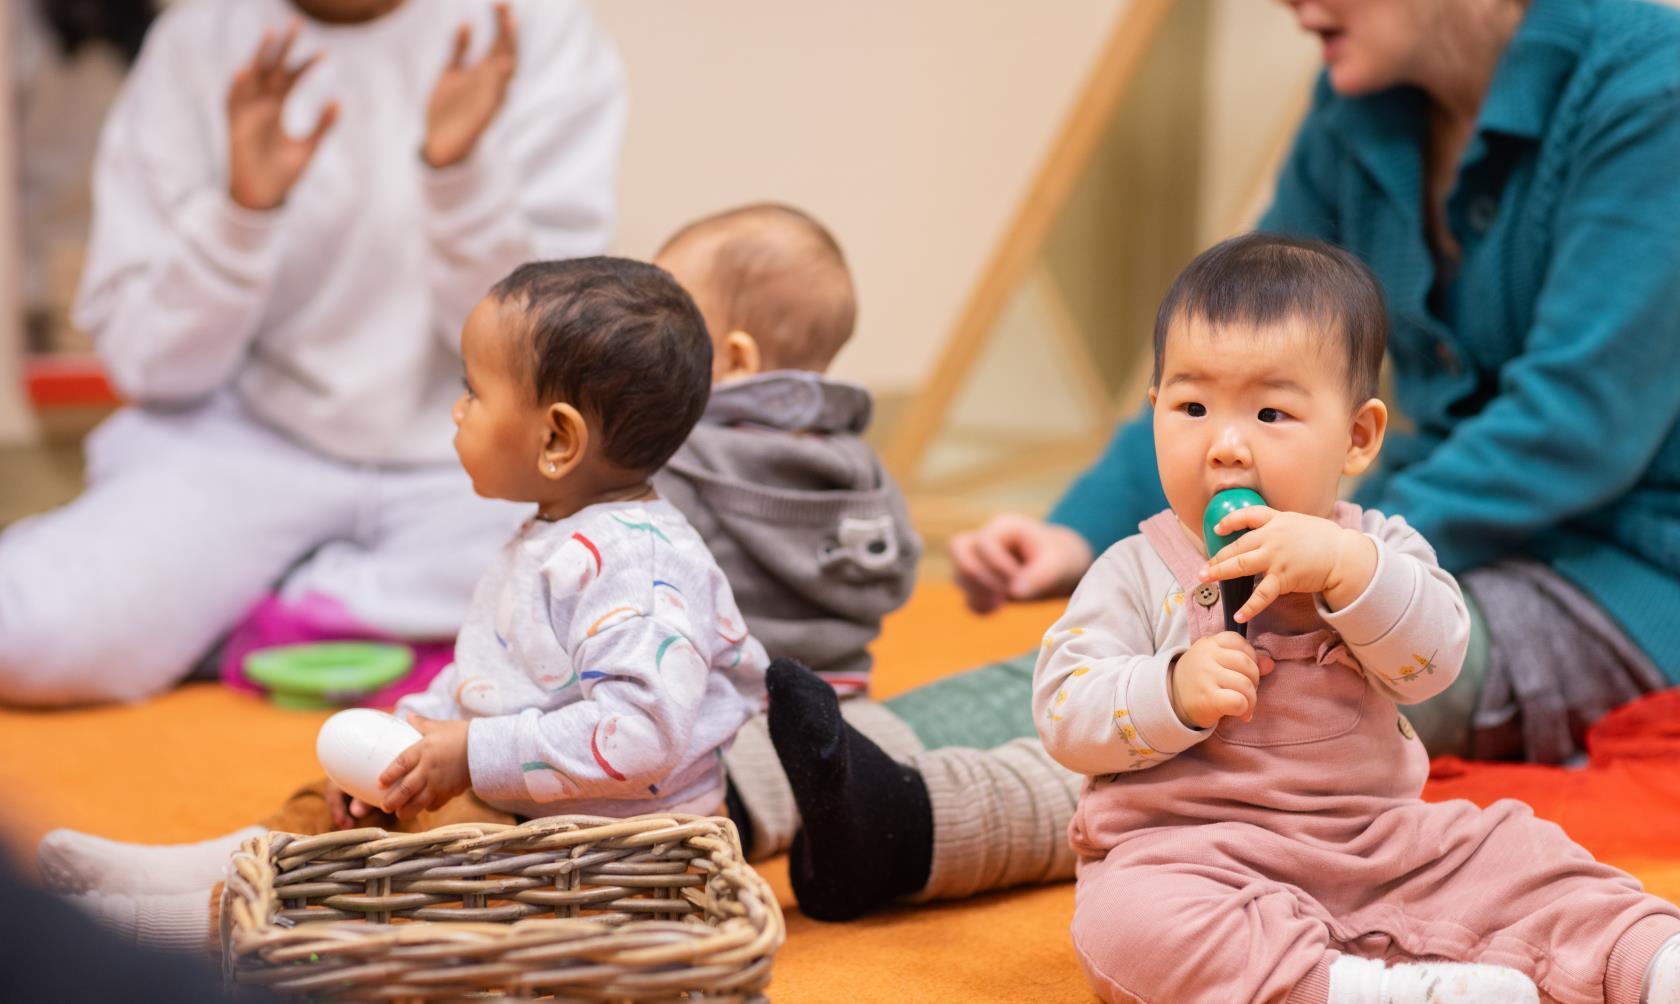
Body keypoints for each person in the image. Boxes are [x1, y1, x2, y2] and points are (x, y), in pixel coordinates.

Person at [768, 0, 1680, 920]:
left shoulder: (1653, 85)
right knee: (1150, 643)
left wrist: (1345, 559)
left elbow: (1576, 425)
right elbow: (1224, 360)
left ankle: (908, 821)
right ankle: (774, 770)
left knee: (1289, 680)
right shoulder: (1362, 104)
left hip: (1611, 577)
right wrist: (1073, 531)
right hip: (1391, 512)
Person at [35, 257, 769, 953]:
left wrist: (470, 755)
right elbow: (495, 677)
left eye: (475, 392)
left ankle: (205, 927)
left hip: (601, 853)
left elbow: (641, 734)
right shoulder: (553, 531)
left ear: (556, 438)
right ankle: (218, 865)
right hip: (528, 808)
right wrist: (413, 733)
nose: (457, 411)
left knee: (406, 867)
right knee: (351, 801)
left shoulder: (635, 562)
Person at [1045, 232, 1680, 1004]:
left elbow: (1435, 662)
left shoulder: (1381, 547)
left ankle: (1645, 957)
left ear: (1357, 437)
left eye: (1271, 411)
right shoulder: (1134, 571)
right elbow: (1066, 712)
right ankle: (1351, 990)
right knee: (1129, 922)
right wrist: (1170, 689)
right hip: (1191, 852)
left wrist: (1350, 573)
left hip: (1379, 841)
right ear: (1154, 414)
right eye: (1191, 406)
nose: (1226, 445)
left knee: (1521, 850)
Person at [0, 0, 626, 706]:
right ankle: (363, 616)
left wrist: (459, 179)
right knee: (29, 637)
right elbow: (148, 368)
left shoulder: (532, 27)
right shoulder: (200, 39)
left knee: (609, 617)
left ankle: (279, 606)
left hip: (468, 462)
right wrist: (243, 215)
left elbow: (548, 355)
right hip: (249, 445)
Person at [644, 204, 926, 862]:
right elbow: (901, 574)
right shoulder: (861, 463)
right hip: (845, 704)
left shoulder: (679, 458)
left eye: (664, 338)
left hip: (726, 718)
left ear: (735, 358)